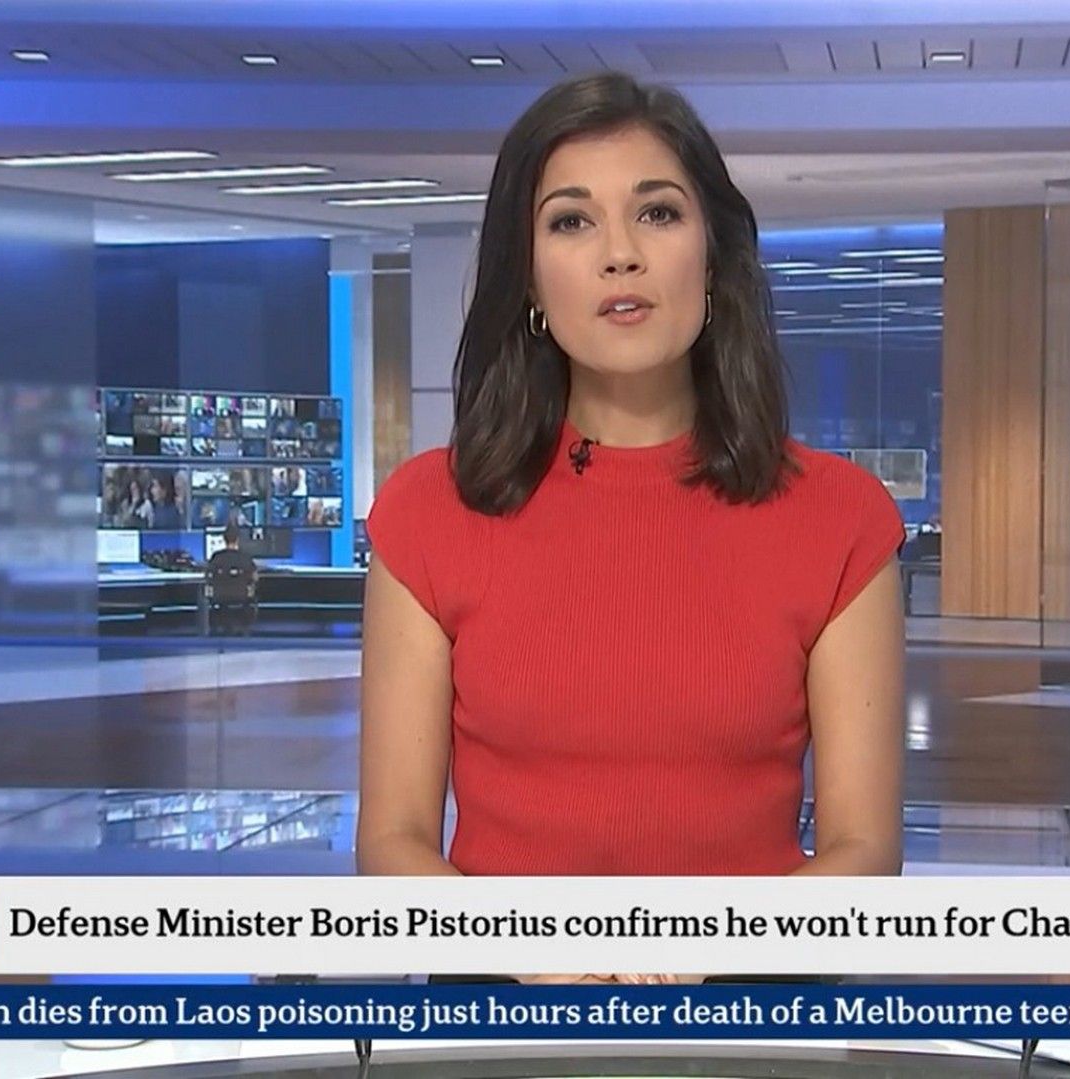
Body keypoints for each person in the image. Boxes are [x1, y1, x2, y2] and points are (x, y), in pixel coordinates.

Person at [357, 73, 905, 987]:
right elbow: (391, 843)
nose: (621, 255)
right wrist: (533, 950)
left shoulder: (839, 517)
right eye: (572, 221)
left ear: (713, 257)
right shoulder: (429, 512)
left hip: (749, 1009)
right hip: (504, 1009)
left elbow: (866, 852)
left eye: (657, 213)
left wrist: (700, 944)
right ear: (529, 277)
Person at [205, 525, 259, 635]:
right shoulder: (245, 557)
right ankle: (245, 627)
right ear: (238, 539)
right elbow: (255, 577)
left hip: (219, 596)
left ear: (224, 539)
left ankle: (216, 626)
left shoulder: (216, 557)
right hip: (241, 595)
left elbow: (208, 576)